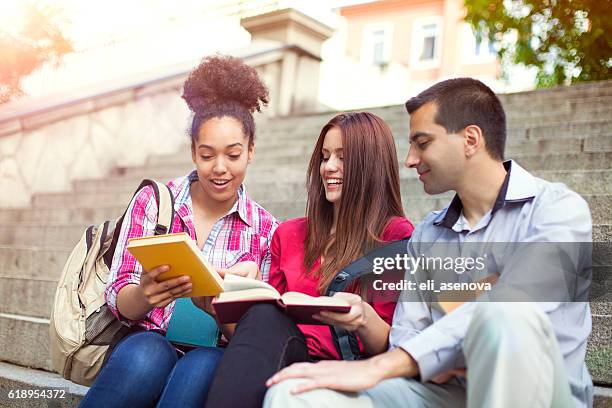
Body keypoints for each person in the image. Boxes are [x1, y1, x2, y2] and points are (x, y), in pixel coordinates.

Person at [265, 78, 593, 408]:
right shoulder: (428, 235)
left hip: (541, 392)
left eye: (422, 143)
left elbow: (515, 303)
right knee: (295, 393)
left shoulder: (558, 211)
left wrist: (380, 366)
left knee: (504, 317)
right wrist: (431, 357)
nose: (409, 159)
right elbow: (406, 334)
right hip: (447, 393)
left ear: (470, 139)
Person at [79, 55, 278, 408]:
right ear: (193, 152)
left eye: (233, 155)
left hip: (216, 350)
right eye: (207, 155)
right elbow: (120, 298)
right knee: (146, 355)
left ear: (251, 151)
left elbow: (257, 338)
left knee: (202, 367)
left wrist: (225, 310)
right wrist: (144, 293)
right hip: (146, 338)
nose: (220, 169)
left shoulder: (266, 230)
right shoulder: (156, 202)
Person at [204, 111, 415, 407]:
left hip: (351, 369)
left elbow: (395, 347)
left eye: (342, 157)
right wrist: (220, 304)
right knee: (261, 316)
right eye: (325, 156)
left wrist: (363, 317)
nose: (329, 167)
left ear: (371, 165)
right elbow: (258, 339)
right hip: (285, 357)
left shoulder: (396, 236)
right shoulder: (288, 234)